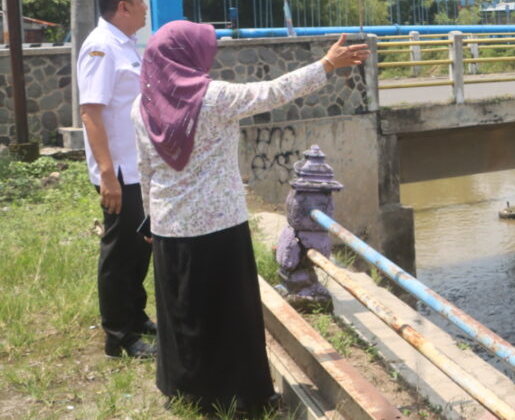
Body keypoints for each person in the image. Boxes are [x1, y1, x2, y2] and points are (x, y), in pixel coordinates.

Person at [132, 21, 367, 415]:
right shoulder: (215, 97)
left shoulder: (142, 106)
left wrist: (150, 218)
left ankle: (185, 391)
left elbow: (145, 170)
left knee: (182, 311)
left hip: (170, 227)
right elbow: (274, 91)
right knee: (229, 313)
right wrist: (326, 64)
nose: (210, 56)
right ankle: (242, 398)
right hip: (218, 227)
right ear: (187, 56)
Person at [77, 0, 156, 359]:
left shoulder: (125, 45)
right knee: (120, 250)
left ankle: (136, 316)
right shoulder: (101, 47)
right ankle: (118, 335)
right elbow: (91, 113)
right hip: (120, 172)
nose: (145, 6)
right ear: (123, 7)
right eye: (140, 0)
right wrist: (107, 175)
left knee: (140, 248)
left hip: (136, 167)